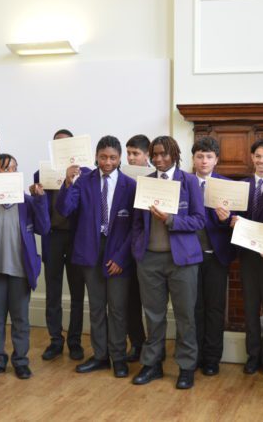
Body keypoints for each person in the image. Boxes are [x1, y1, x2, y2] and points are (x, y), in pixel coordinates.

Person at [56, 135, 137, 378]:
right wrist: (68, 183)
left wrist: (122, 258)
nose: (108, 162)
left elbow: (135, 227)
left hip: (118, 253)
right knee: (97, 307)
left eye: (113, 157)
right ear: (96, 157)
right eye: (103, 157)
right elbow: (65, 209)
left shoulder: (130, 186)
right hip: (90, 250)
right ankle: (101, 355)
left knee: (118, 309)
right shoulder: (83, 181)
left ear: (120, 158)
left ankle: (119, 357)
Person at [131, 136, 205, 390]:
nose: (159, 159)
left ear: (174, 154)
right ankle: (152, 364)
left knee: (185, 316)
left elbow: (199, 220)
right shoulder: (146, 182)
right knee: (153, 315)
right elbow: (137, 223)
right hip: (149, 259)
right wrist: (137, 247)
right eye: (155, 154)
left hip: (182, 261)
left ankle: (186, 367)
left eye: (164, 154)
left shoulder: (190, 181)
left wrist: (172, 221)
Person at [0, 154, 51, 380]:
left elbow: (44, 229)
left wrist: (42, 199)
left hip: (21, 269)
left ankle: (20, 361)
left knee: (20, 319)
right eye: (4, 169)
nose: (9, 172)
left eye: (14, 168)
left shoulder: (27, 201)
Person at [34, 129, 89, 362]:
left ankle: (75, 341)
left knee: (78, 293)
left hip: (77, 237)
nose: (62, 148)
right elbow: (39, 210)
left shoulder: (87, 174)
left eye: (66, 144)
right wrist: (36, 196)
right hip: (52, 237)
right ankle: (55, 340)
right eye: (57, 145)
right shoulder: (42, 172)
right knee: (53, 292)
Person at [231, 138, 263, 376]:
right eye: (258, 156)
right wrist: (230, 219)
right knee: (250, 308)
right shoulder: (242, 185)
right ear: (251, 157)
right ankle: (253, 356)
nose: (262, 161)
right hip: (247, 256)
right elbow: (235, 215)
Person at [191, 137, 235, 376]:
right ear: (193, 159)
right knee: (193, 308)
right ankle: (194, 355)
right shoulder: (185, 183)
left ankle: (211, 358)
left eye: (209, 156)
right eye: (199, 156)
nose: (204, 160)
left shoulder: (227, 185)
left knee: (215, 309)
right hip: (189, 257)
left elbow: (237, 221)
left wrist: (225, 218)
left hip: (216, 256)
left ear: (216, 159)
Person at [123, 134, 151, 362]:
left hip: (149, 247)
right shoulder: (121, 175)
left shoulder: (156, 177)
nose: (131, 158)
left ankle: (154, 347)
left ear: (147, 155)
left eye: (136, 154)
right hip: (126, 245)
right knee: (130, 300)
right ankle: (137, 343)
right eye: (129, 153)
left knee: (152, 302)